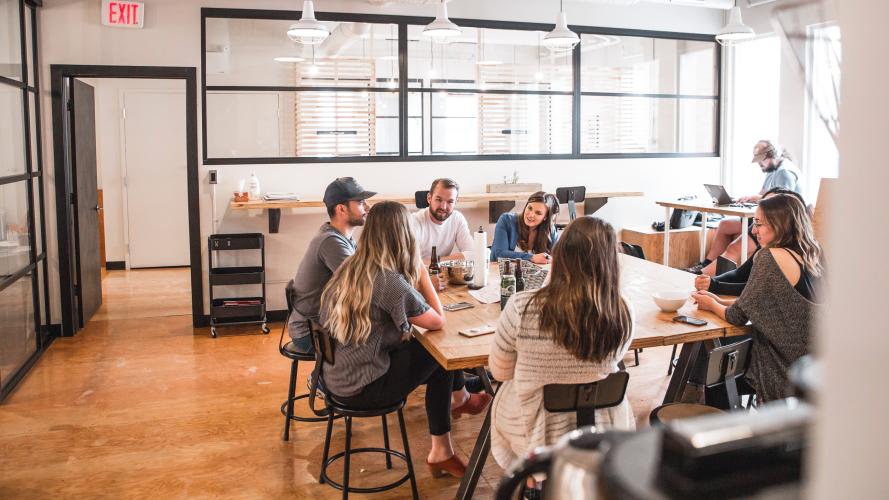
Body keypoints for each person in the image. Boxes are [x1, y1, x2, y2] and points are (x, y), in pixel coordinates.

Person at [319, 201, 489, 479]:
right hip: (364, 387)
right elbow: (437, 319)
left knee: (429, 351)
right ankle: (449, 428)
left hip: (337, 377)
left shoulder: (351, 267)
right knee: (438, 353)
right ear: (404, 236)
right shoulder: (388, 281)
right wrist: (422, 270)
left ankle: (453, 420)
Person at [489, 217, 636, 470]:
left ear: (560, 255)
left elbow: (500, 371)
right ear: (611, 262)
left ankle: (536, 478)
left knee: (507, 391)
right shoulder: (622, 311)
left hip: (536, 430)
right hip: (602, 426)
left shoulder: (523, 306)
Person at [692, 193, 824, 403]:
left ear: (779, 224)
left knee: (714, 374)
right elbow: (764, 304)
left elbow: (736, 317)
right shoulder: (810, 254)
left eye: (758, 224)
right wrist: (718, 300)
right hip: (813, 367)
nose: (754, 231)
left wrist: (710, 304)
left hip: (782, 370)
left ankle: (727, 432)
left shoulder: (770, 257)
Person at [686, 140, 803, 275]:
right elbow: (763, 195)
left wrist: (756, 198)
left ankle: (704, 276)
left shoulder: (785, 172)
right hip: (768, 218)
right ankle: (706, 264)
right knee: (724, 225)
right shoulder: (772, 170)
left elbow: (782, 204)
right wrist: (748, 199)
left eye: (761, 160)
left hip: (779, 224)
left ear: (772, 155)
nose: (759, 164)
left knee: (734, 248)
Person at [287, 177, 375, 353]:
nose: (367, 207)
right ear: (341, 209)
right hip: (313, 333)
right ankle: (323, 380)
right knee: (387, 342)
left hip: (324, 325)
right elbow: (365, 284)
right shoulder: (331, 242)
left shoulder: (342, 238)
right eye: (360, 202)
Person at [694, 188, 809, 296]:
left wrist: (713, 286)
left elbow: (754, 293)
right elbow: (741, 274)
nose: (753, 230)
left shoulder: (780, 255)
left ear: (782, 221)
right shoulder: (776, 245)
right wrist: (710, 281)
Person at [411, 178, 475, 263]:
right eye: (439, 200)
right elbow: (410, 262)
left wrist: (436, 261)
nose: (443, 207)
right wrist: (451, 260)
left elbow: (472, 254)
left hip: (443, 273)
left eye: (450, 201)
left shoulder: (457, 219)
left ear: (455, 202)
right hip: (419, 274)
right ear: (429, 198)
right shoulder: (414, 221)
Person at [491, 191, 560, 264]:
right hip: (500, 273)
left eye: (538, 213)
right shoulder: (506, 220)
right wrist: (532, 257)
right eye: (530, 208)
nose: (531, 215)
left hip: (536, 274)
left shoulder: (550, 231)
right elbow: (498, 254)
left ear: (545, 217)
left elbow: (558, 257)